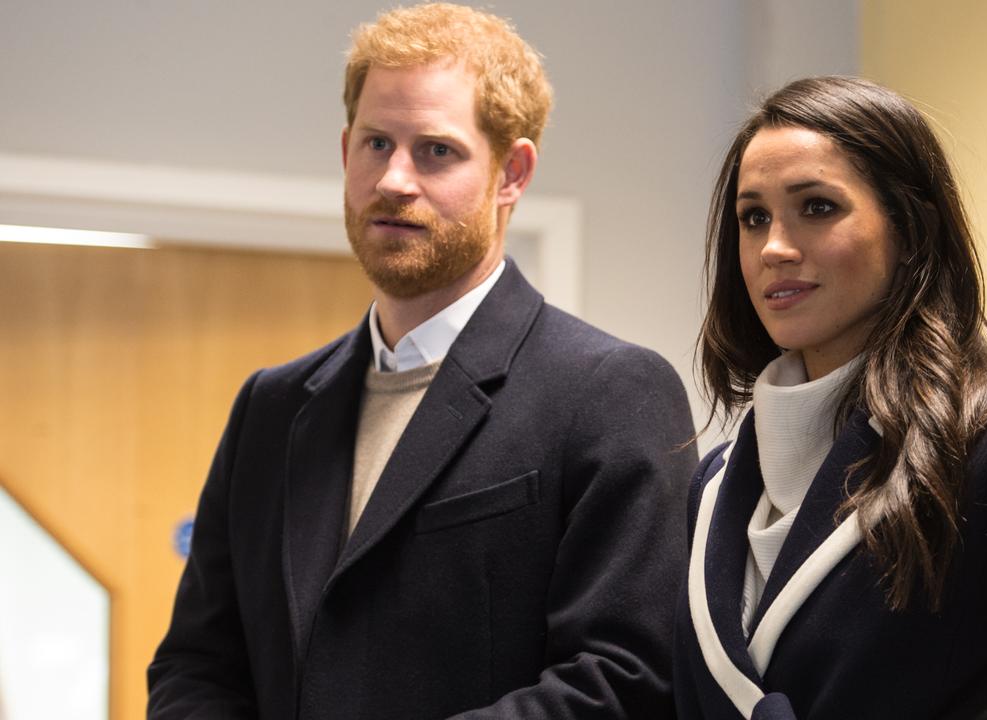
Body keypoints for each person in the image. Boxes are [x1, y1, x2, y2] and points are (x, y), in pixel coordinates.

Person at [148, 4, 696, 718]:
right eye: (377, 143)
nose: (395, 179)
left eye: (436, 151)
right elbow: (196, 665)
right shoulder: (271, 408)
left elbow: (627, 680)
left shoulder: (610, 393)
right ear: (346, 152)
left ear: (512, 173)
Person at [673, 76, 987, 719]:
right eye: (754, 218)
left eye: (817, 207)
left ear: (911, 230)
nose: (774, 246)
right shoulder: (715, 484)